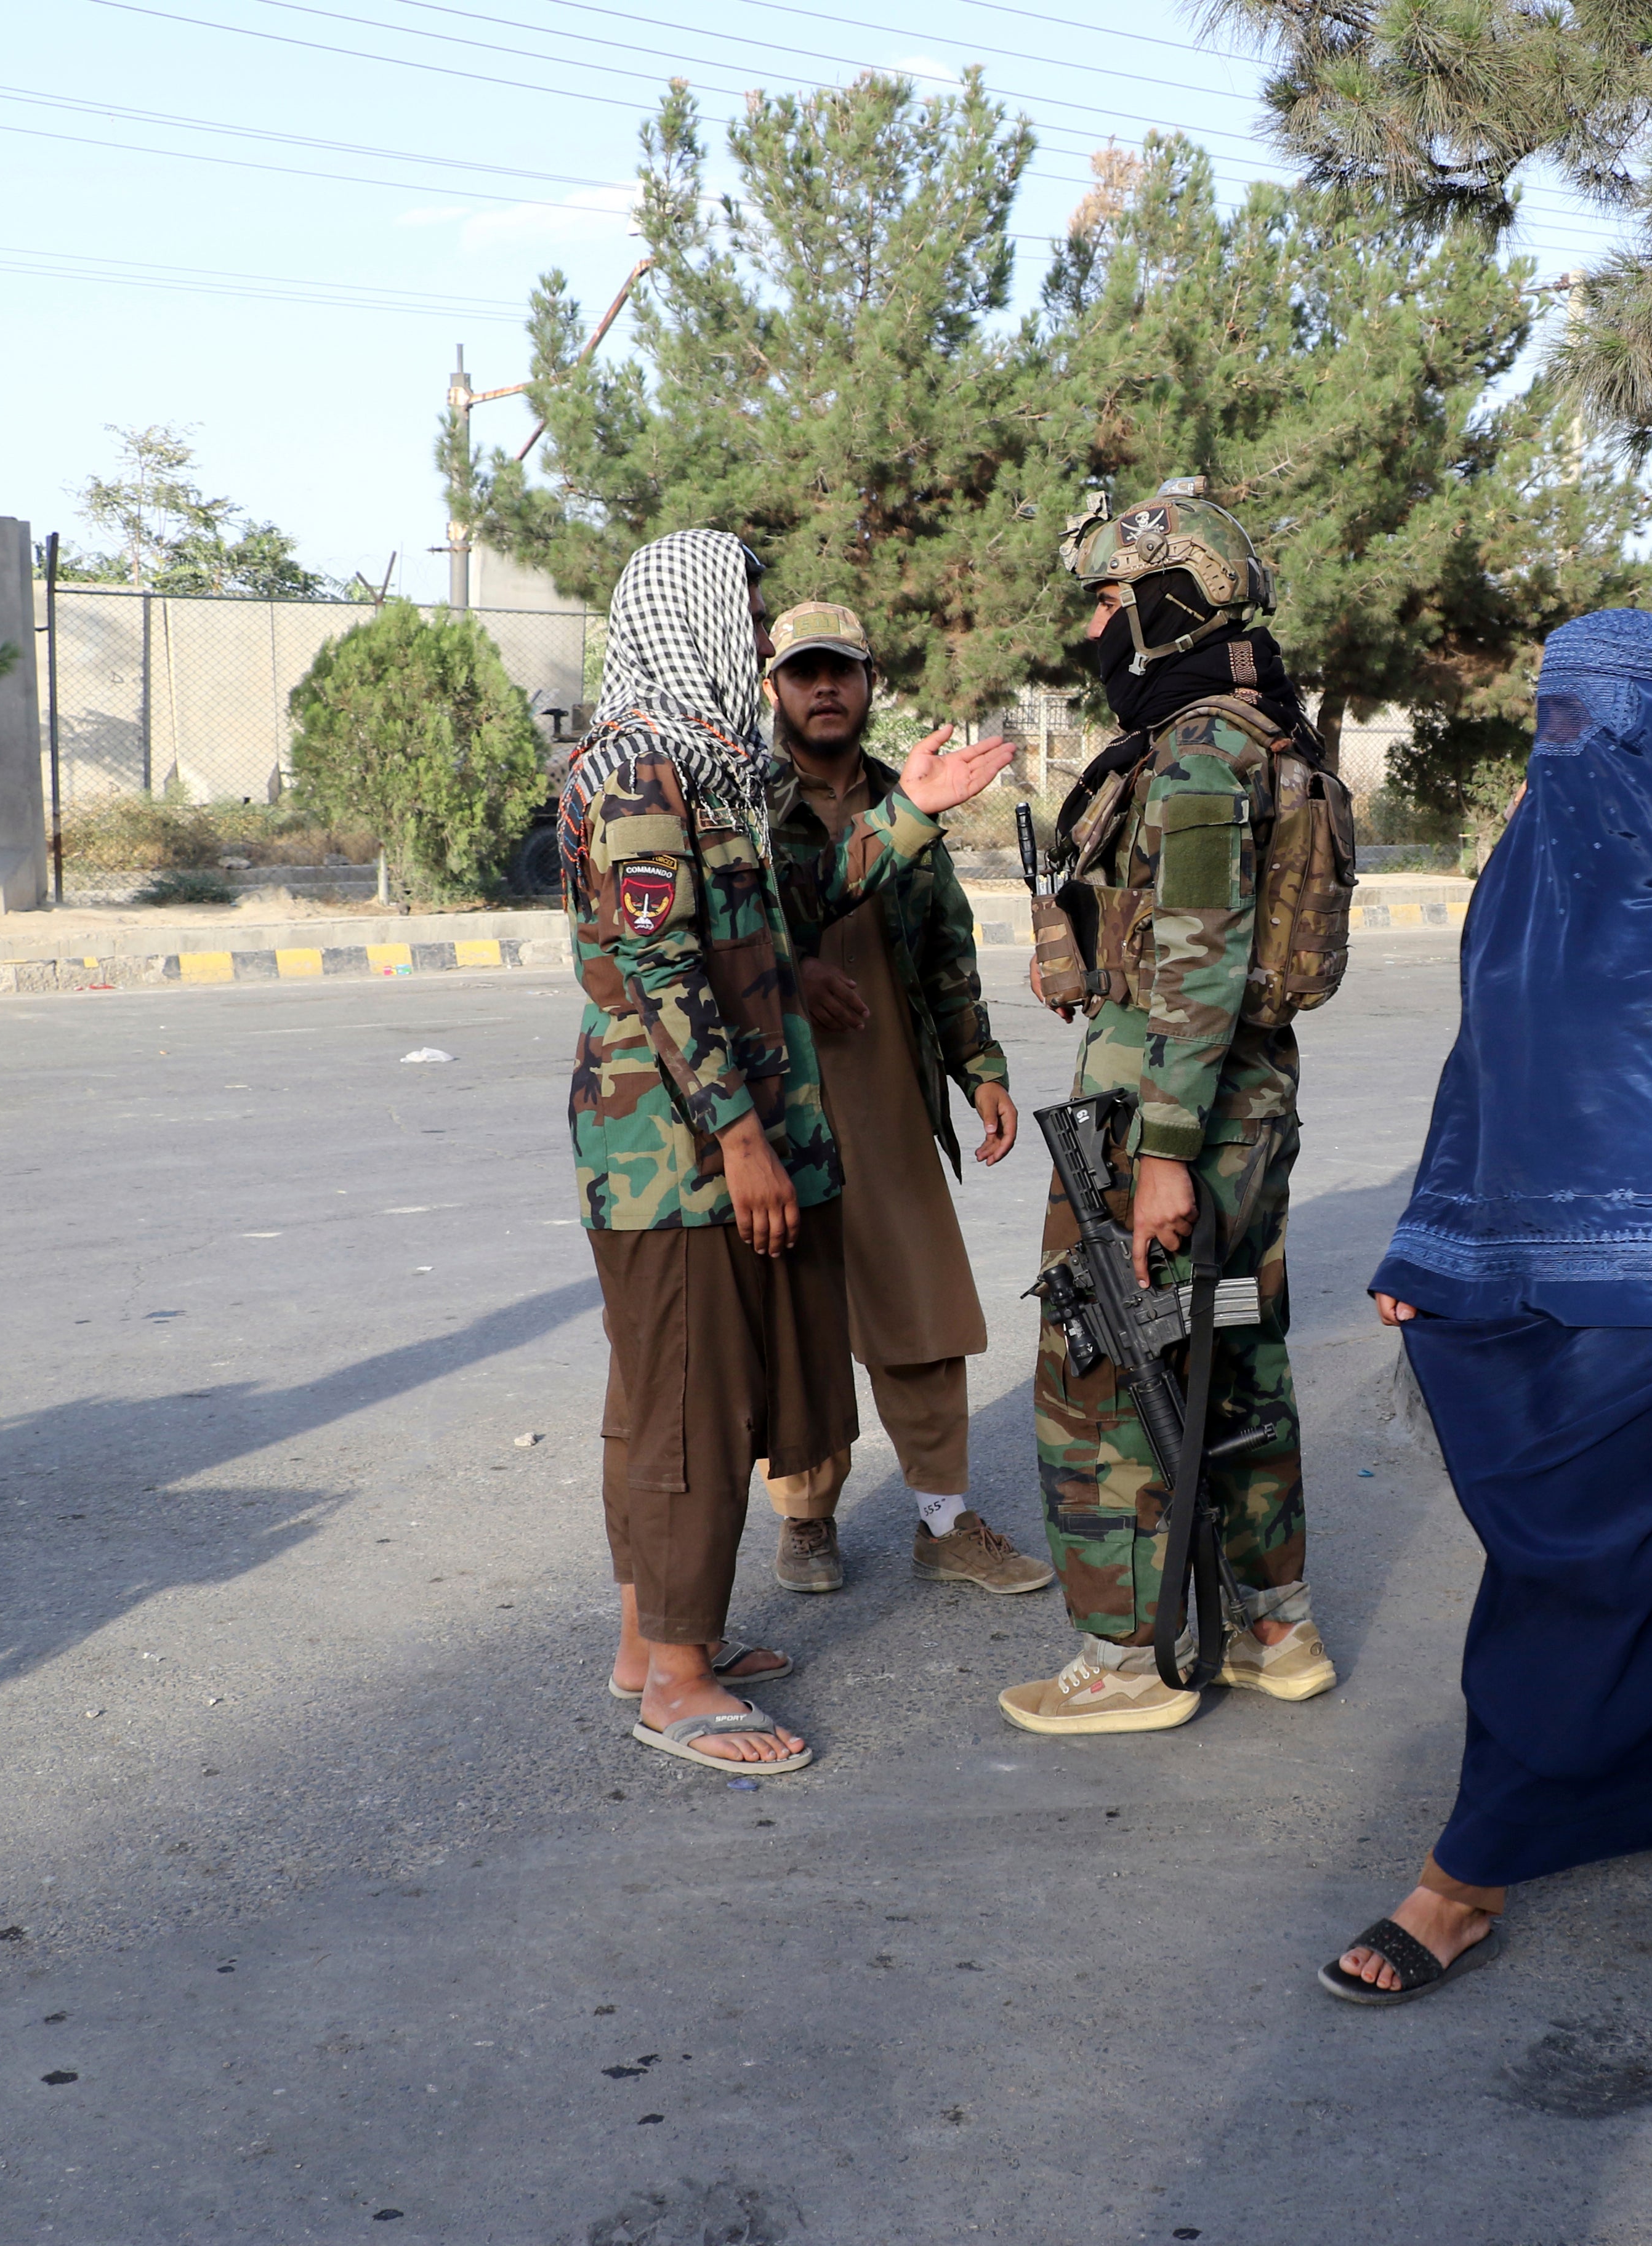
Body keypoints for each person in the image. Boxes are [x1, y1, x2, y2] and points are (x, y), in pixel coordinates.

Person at [1324, 606, 1652, 2005]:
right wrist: (1432, 1242)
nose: (1568, 745)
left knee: (1585, 1580)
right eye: (1549, 713)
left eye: (1599, 719)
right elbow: (1485, 1067)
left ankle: (1462, 1881)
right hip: (1533, 1272)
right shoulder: (1532, 869)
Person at [563, 529, 1013, 1777]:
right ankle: (680, 1683)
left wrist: (910, 816)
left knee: (687, 1400)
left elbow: (771, 916)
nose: (762, 636)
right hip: (675, 1153)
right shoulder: (643, 766)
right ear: (686, 611)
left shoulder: (709, 765)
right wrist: (744, 1138)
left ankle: (653, 1643)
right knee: (688, 1413)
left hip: (713, 1144)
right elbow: (657, 965)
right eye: (748, 609)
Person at [997, 481, 1341, 1735]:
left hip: (1166, 1120)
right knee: (1237, 1352)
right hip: (1248, 1109)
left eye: (1109, 601)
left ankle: (1124, 1661)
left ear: (1167, 608)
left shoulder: (1200, 758)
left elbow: (1197, 969)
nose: (1097, 628)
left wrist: (1163, 1160)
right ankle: (1275, 1625)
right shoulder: (1266, 736)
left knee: (1112, 1368)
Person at [757, 599, 1055, 1598]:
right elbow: (752, 919)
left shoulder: (904, 792)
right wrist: (795, 971)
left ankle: (943, 1521)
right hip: (777, 1108)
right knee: (795, 1320)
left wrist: (981, 1068)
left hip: (885, 1097)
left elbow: (944, 951)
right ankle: (806, 1521)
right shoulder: (746, 800)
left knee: (921, 1315)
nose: (825, 687)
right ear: (774, 688)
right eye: (805, 671)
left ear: (870, 682)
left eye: (841, 668)